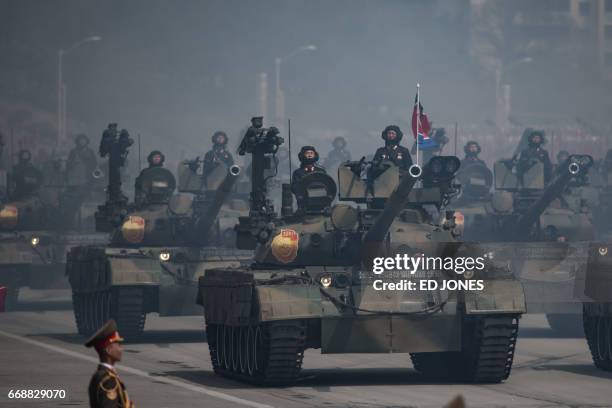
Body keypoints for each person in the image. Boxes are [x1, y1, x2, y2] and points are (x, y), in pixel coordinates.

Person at [85, 320, 134, 408]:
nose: (121, 349)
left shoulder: (100, 375)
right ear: (109, 350)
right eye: (118, 345)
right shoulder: (108, 381)